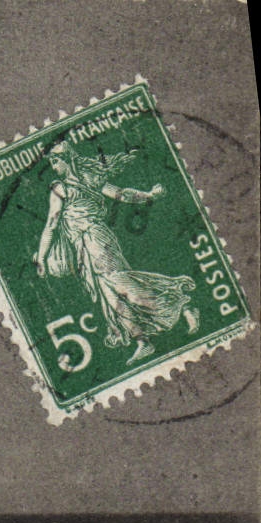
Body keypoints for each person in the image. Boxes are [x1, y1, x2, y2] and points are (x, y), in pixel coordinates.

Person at [34, 140, 198, 363]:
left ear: (67, 160)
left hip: (97, 238)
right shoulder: (63, 187)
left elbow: (121, 194)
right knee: (109, 296)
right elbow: (52, 223)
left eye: (55, 161)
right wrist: (42, 256)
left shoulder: (75, 185)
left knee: (121, 284)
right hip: (83, 249)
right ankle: (142, 341)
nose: (53, 167)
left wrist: (149, 196)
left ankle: (183, 305)